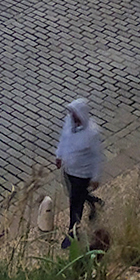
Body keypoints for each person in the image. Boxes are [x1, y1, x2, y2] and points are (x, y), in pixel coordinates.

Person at [55, 98, 104, 247]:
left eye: (75, 114)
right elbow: (64, 139)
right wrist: (59, 155)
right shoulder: (68, 123)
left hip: (82, 174)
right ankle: (92, 201)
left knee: (75, 204)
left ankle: (72, 232)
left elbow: (97, 155)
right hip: (69, 170)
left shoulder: (92, 133)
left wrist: (95, 176)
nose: (72, 117)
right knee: (74, 195)